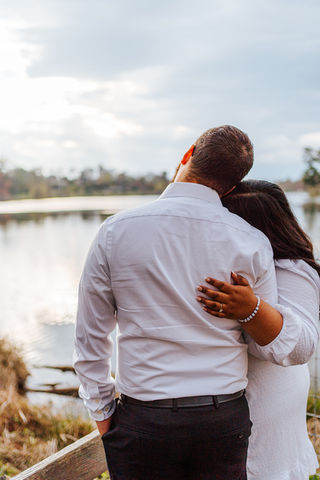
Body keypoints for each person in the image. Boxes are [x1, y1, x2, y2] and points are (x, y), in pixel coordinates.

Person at [73, 125, 278, 479]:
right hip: (222, 421)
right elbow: (260, 342)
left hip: (143, 421)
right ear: (230, 188)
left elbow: (90, 339)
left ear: (188, 153)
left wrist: (105, 417)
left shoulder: (115, 232)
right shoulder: (253, 242)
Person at [196, 180, 320, 480]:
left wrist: (250, 309)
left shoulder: (291, 270)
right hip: (230, 414)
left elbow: (301, 346)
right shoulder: (221, 270)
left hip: (266, 409)